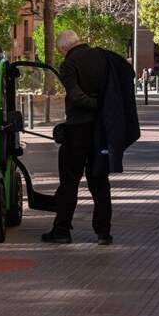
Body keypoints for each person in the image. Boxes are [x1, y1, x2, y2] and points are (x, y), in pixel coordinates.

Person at [42, 30, 113, 246]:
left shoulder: (69, 63)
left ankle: (62, 230)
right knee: (100, 181)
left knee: (69, 182)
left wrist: (94, 105)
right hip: (101, 130)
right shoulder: (103, 57)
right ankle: (103, 232)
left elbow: (75, 95)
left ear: (64, 48)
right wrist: (103, 108)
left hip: (77, 130)